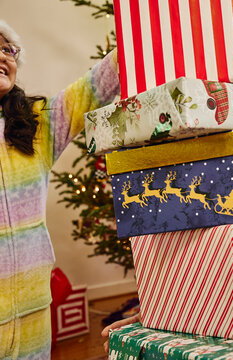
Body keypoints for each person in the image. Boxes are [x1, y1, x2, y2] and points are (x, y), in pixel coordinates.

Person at [0, 20, 119, 359]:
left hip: (34, 306)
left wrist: (139, 34)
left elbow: (93, 87)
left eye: (7, 49)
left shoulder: (36, 124)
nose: (2, 56)